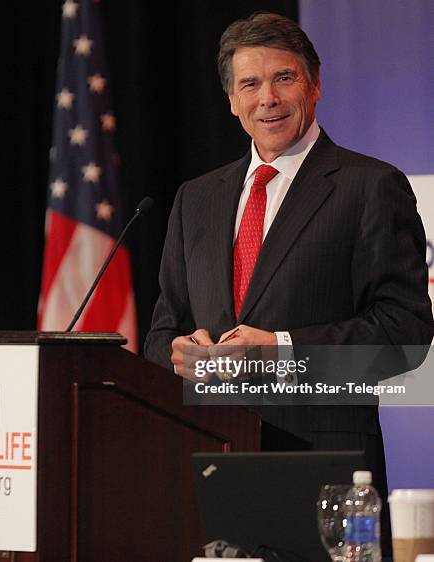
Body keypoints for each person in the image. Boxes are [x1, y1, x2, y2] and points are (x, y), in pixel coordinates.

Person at [144, 12, 433, 557]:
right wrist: (179, 354)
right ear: (232, 100)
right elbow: (163, 333)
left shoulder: (369, 187)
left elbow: (405, 333)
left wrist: (281, 350)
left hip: (322, 471)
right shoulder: (196, 198)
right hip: (211, 464)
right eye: (250, 84)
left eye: (284, 78)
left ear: (315, 85)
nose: (268, 98)